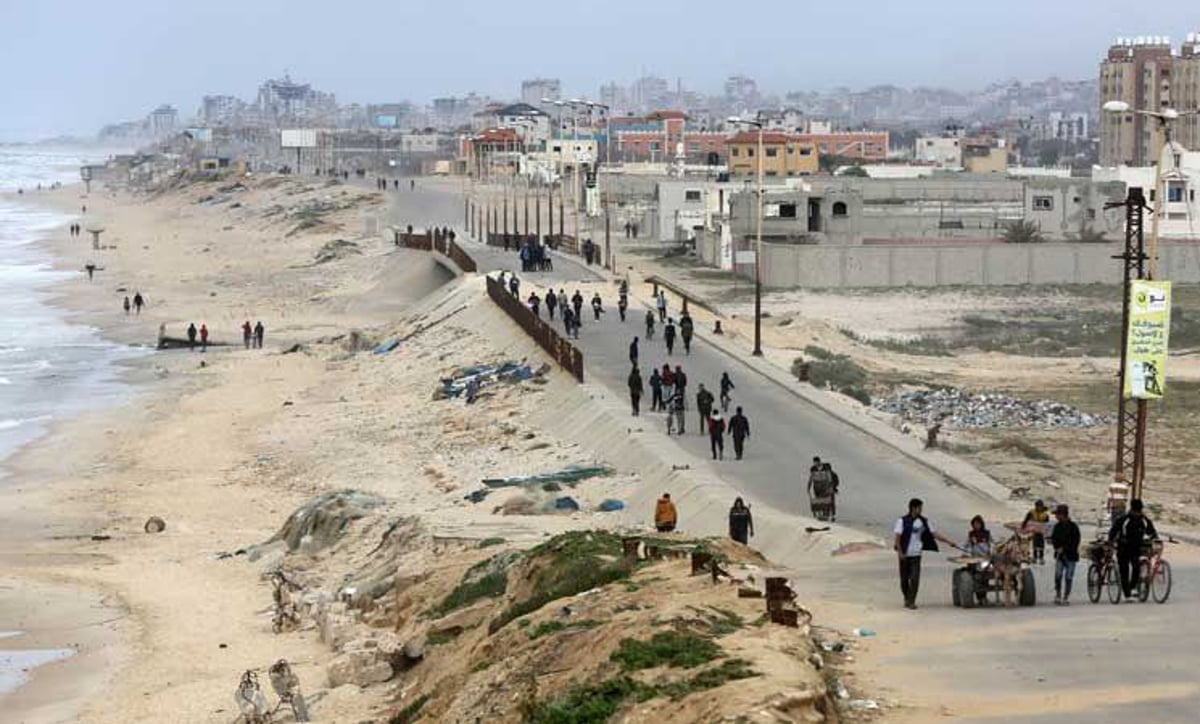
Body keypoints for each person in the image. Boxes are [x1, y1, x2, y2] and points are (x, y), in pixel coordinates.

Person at [892, 498, 955, 609]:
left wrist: (948, 542)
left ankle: (911, 601)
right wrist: (900, 552)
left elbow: (934, 534)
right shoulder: (902, 521)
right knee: (904, 580)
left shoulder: (923, 521)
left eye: (921, 508)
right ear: (913, 508)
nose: (921, 510)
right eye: (919, 508)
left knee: (915, 578)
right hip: (905, 554)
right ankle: (907, 597)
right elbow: (897, 538)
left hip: (916, 554)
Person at [1108, 497, 1158, 601]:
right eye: (1136, 511)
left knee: (1136, 567)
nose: (1138, 513)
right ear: (1132, 510)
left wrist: (1155, 539)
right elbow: (1114, 531)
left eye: (1139, 511)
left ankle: (1132, 587)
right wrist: (1111, 541)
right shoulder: (1124, 519)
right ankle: (1127, 594)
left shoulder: (1144, 520)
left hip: (1136, 548)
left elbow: (1152, 532)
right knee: (1124, 570)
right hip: (1123, 548)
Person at [1051, 504, 1081, 605]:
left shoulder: (1073, 527)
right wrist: (1057, 548)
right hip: (1060, 556)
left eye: (1057, 514)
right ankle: (1058, 594)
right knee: (1058, 575)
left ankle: (1066, 596)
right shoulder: (1057, 527)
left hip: (1071, 556)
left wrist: (1065, 548)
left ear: (1062, 515)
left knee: (1069, 577)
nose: (1056, 516)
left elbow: (1076, 541)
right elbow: (1054, 539)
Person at [1023, 500, 1051, 564]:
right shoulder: (1031, 512)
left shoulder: (1045, 514)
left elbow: (1047, 524)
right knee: (1035, 543)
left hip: (1041, 531)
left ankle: (1041, 557)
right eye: (1037, 506)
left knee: (1041, 544)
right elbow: (1026, 519)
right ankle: (1035, 557)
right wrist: (1023, 527)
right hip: (1034, 530)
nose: (1039, 507)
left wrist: (1047, 533)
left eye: (1040, 506)